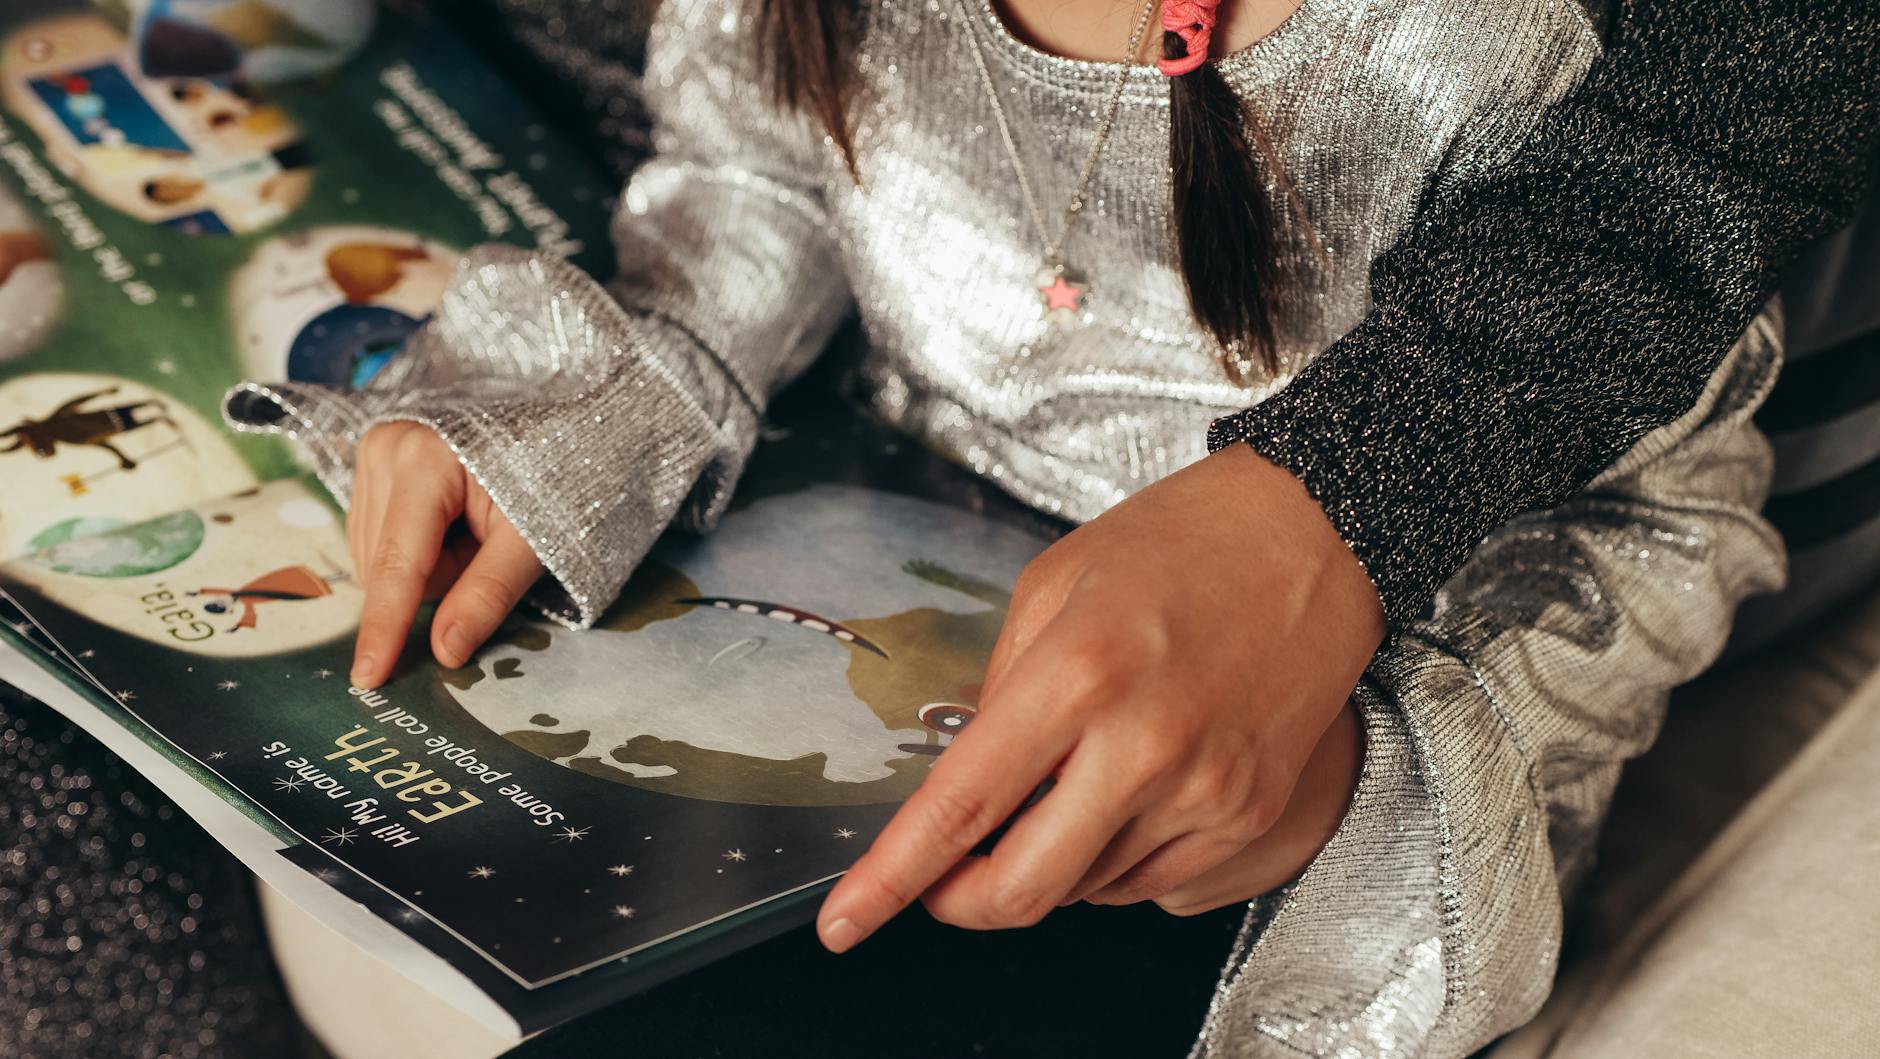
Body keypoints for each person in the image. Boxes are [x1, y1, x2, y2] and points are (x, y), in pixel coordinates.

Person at [222, 0, 1790, 1054]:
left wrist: (1337, 787)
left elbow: (1648, 531)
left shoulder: (1522, 74)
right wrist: (563, 417)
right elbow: (752, 181)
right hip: (835, 667)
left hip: (1222, 846)